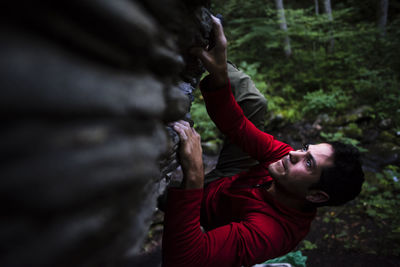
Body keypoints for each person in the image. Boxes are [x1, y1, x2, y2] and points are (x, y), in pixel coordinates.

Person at [162, 16, 364, 267]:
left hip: (209, 208)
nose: (293, 154)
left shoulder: (271, 231)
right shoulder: (286, 160)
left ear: (316, 196)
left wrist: (194, 177)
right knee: (254, 103)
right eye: (305, 149)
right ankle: (212, 56)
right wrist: (220, 75)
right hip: (233, 181)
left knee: (172, 201)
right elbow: (238, 127)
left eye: (309, 163)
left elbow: (184, 260)